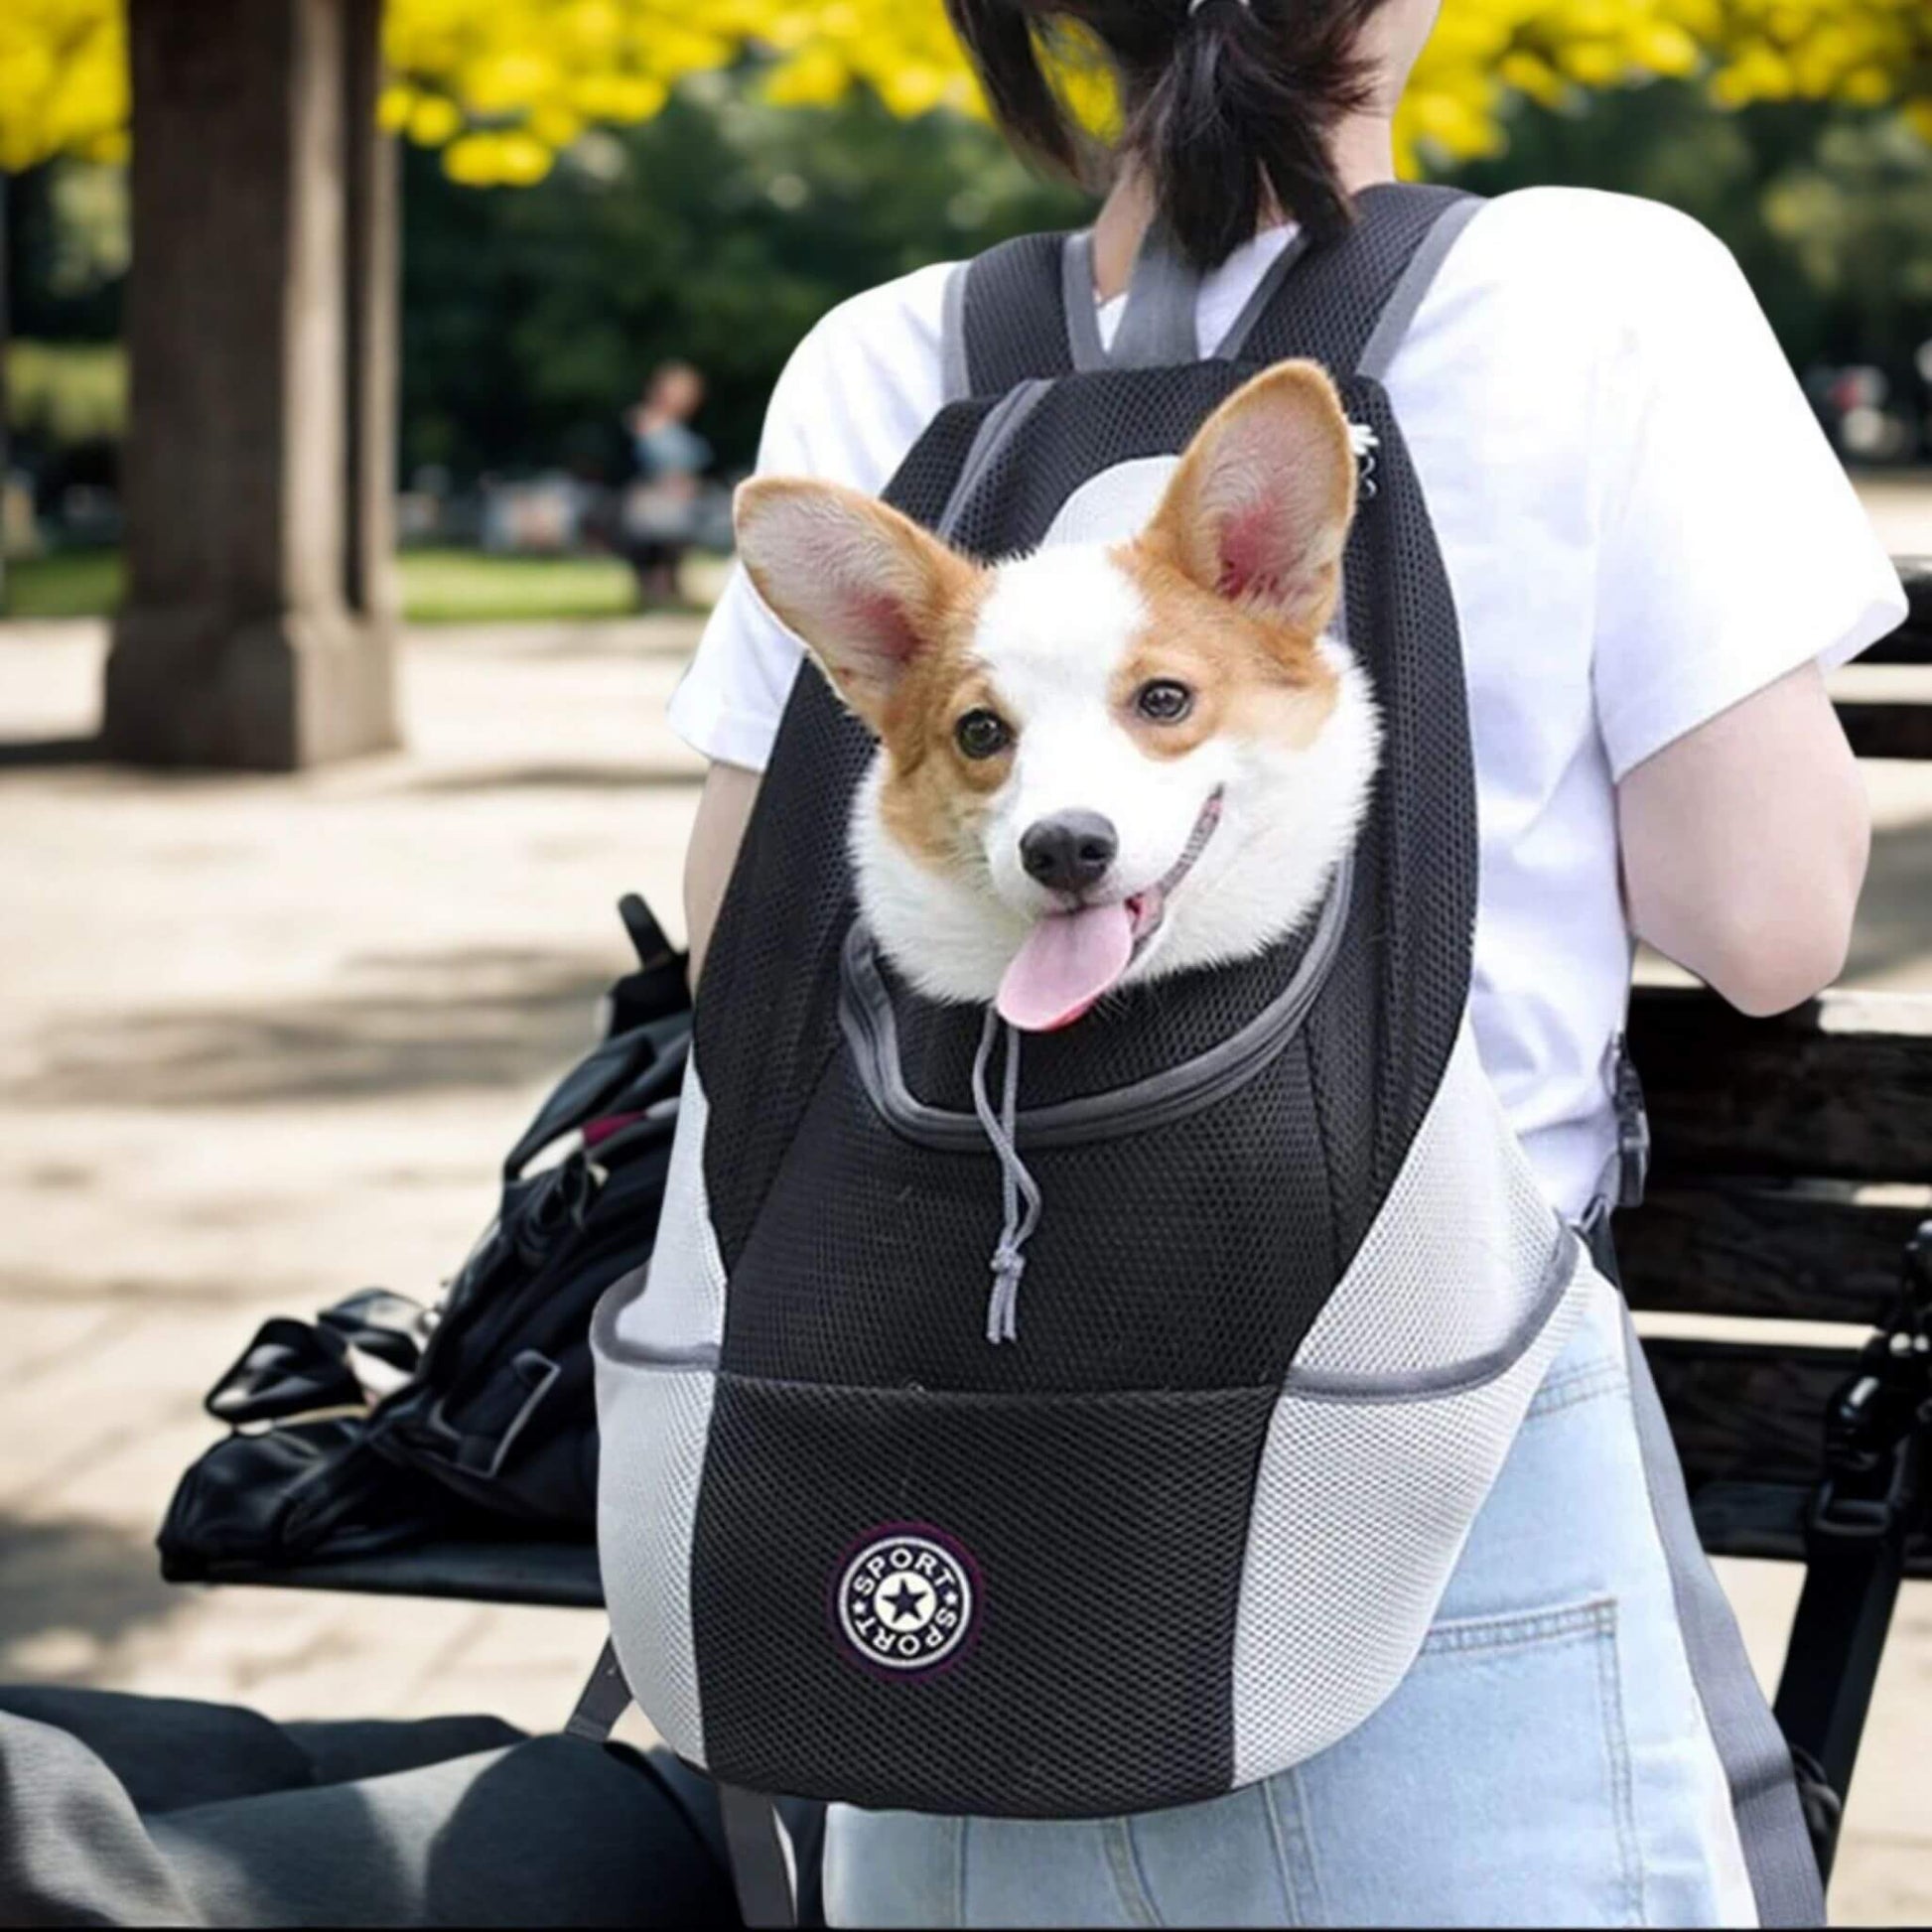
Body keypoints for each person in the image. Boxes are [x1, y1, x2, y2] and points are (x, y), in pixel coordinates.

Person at [669, 0, 1907, 1924]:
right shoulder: (1602, 295)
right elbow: (1768, 925)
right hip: (1423, 1494)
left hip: (935, 1534)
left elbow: (729, 933)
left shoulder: (882, 366)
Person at [621, 360, 713, 605]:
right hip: (647, 504)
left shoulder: (681, 431)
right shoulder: (641, 426)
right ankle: (656, 585)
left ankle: (666, 585)